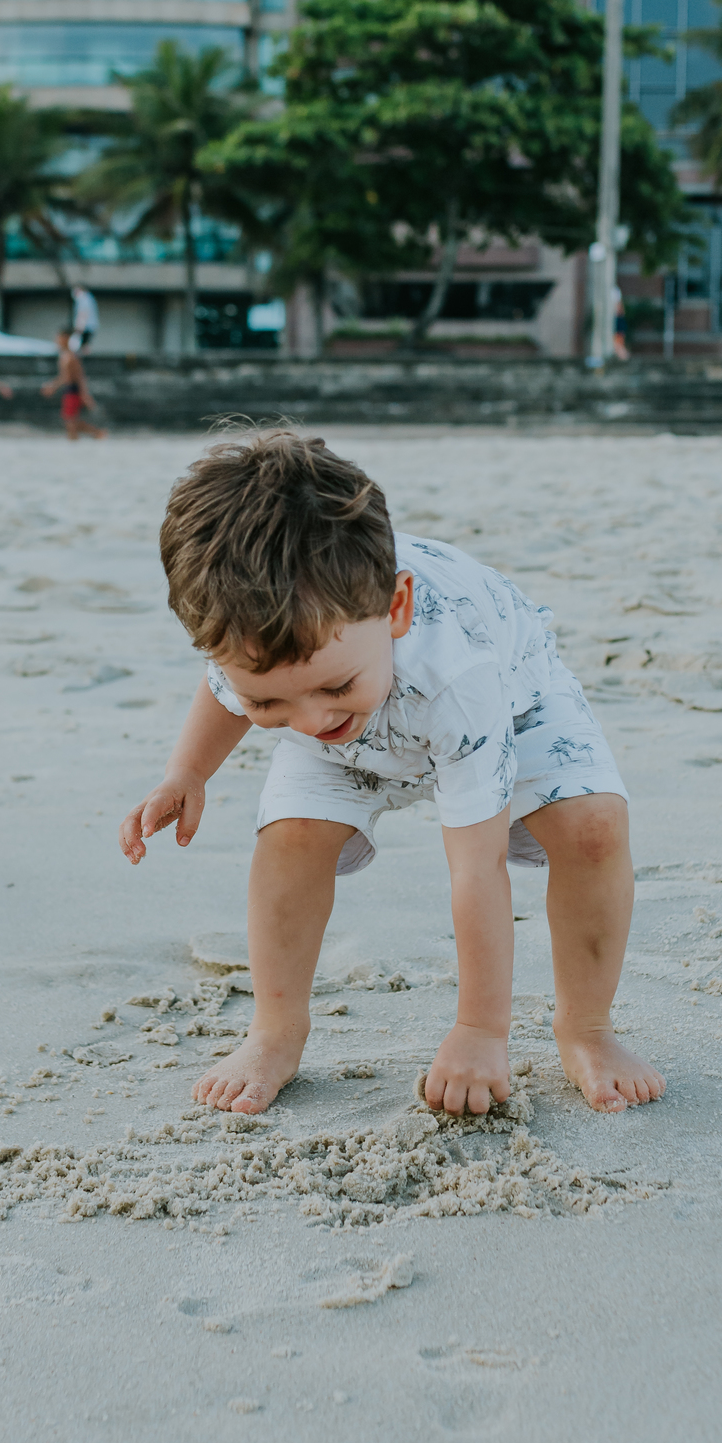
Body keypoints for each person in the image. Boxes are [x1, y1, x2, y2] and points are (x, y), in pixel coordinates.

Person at [119, 429, 664, 1120]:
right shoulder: (271, 637)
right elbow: (230, 692)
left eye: (328, 686)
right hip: (369, 702)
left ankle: (587, 1028)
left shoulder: (456, 673)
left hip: (511, 700)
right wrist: (187, 772)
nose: (310, 719)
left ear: (396, 608)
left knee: (593, 828)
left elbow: (477, 867)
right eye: (269, 701)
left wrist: (480, 1031)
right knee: (289, 838)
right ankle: (276, 1032)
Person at [41, 329, 106, 440]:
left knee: (70, 421)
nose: (57, 341)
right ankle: (90, 435)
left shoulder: (71, 357)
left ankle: (97, 432)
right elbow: (64, 377)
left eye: (59, 338)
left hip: (74, 390)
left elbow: (79, 377)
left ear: (66, 339)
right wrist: (52, 386)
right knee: (69, 421)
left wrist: (84, 394)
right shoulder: (64, 356)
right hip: (68, 389)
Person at [69, 285, 99, 352]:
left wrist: (80, 327)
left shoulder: (83, 299)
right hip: (90, 326)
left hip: (86, 327)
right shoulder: (89, 297)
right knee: (86, 345)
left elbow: (83, 313)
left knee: (84, 346)